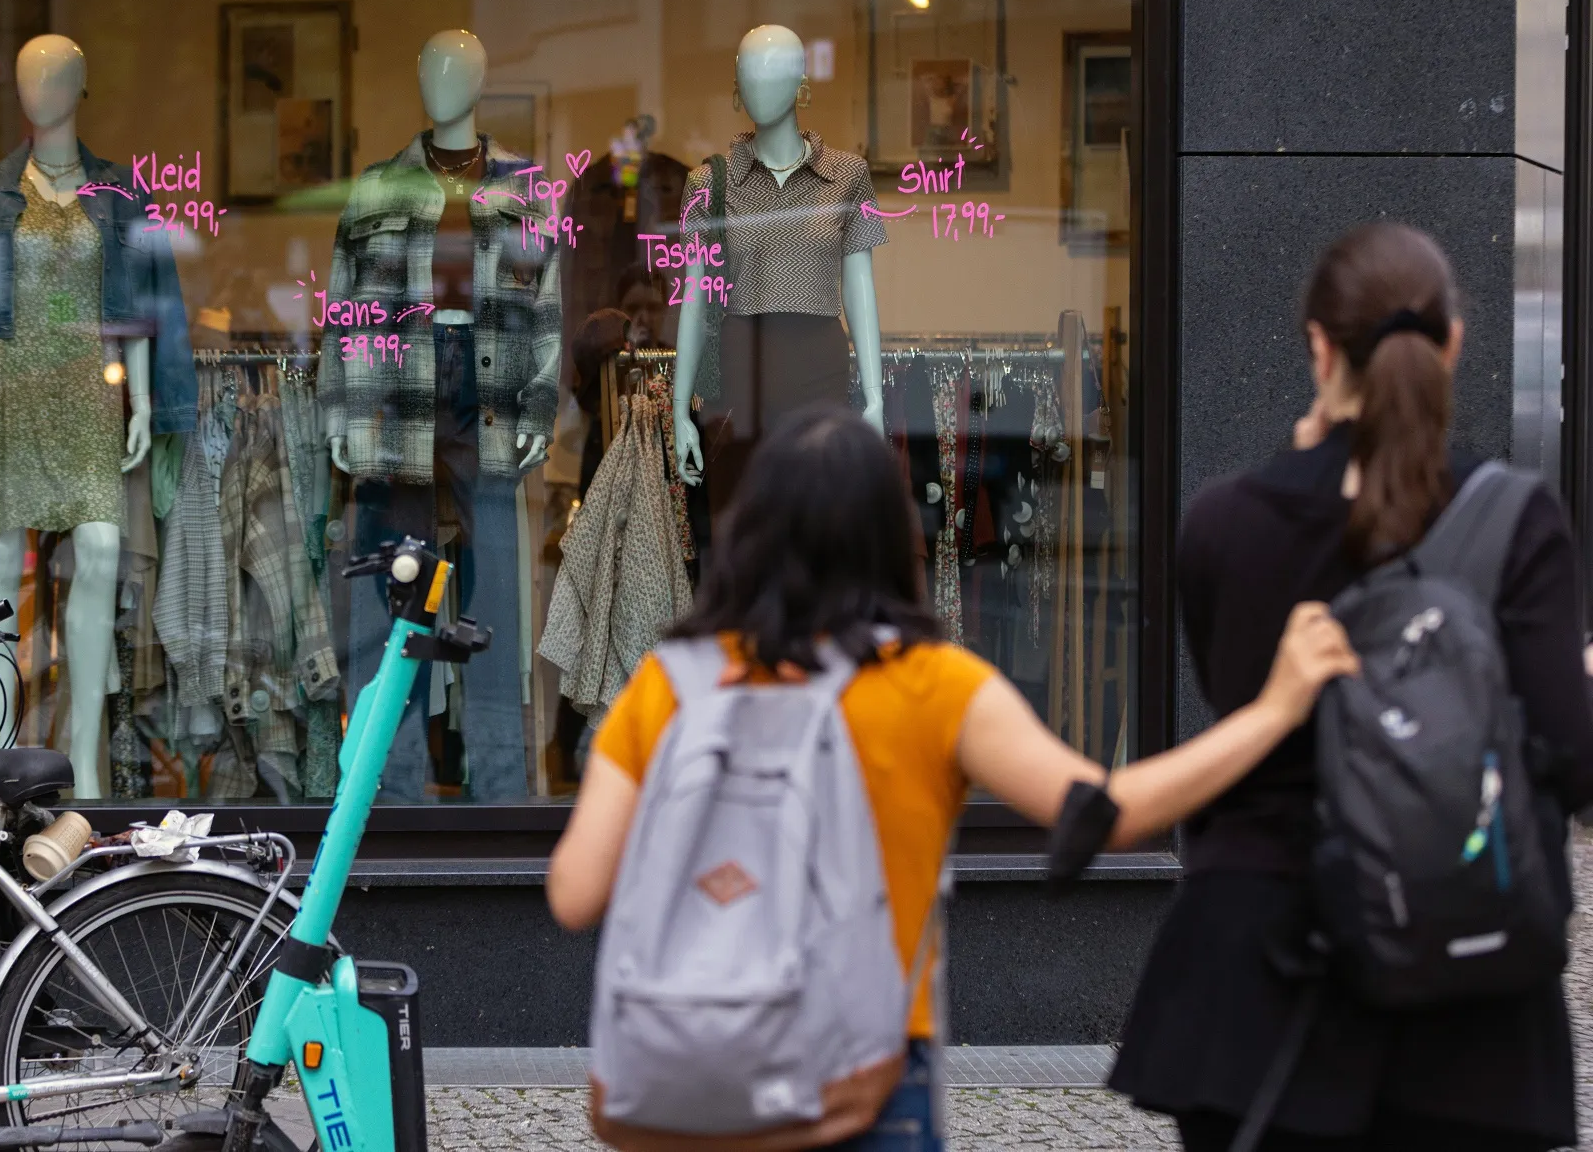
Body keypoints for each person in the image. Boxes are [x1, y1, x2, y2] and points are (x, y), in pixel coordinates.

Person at [548, 402, 1362, 1152]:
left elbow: (575, 893)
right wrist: (1274, 710)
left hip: (684, 1079)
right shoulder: (933, 683)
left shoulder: (671, 682)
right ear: (891, 535)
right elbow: (1105, 813)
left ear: (749, 531)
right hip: (864, 1077)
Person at [1107, 222, 1593, 1152]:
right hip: (1461, 987)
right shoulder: (1514, 522)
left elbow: (1234, 703)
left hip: (1259, 982)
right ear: (1453, 344)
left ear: (1319, 348)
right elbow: (1571, 762)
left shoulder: (1224, 523)